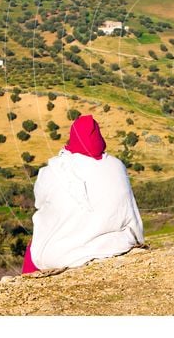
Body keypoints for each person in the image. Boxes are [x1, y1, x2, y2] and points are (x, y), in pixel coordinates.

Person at [22, 114, 144, 274]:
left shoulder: (55, 168)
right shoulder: (116, 165)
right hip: (114, 243)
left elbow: (40, 203)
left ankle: (28, 284)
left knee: (37, 246)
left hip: (62, 253)